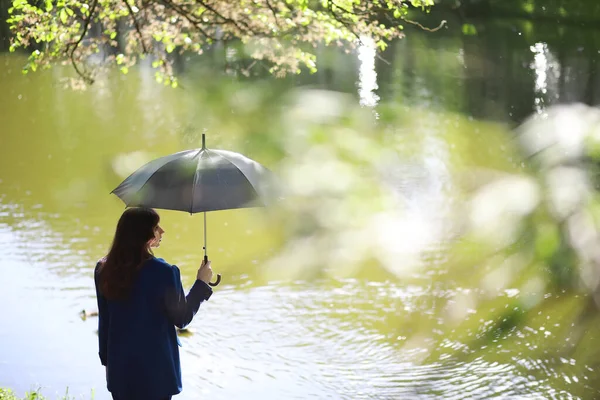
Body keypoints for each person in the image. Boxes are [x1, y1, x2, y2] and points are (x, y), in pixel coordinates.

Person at [94, 207, 214, 400]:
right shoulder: (164, 272)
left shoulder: (103, 269)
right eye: (156, 227)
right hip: (156, 375)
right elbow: (182, 318)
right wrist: (201, 283)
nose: (162, 231)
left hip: (120, 373)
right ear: (144, 235)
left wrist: (108, 365)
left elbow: (105, 322)